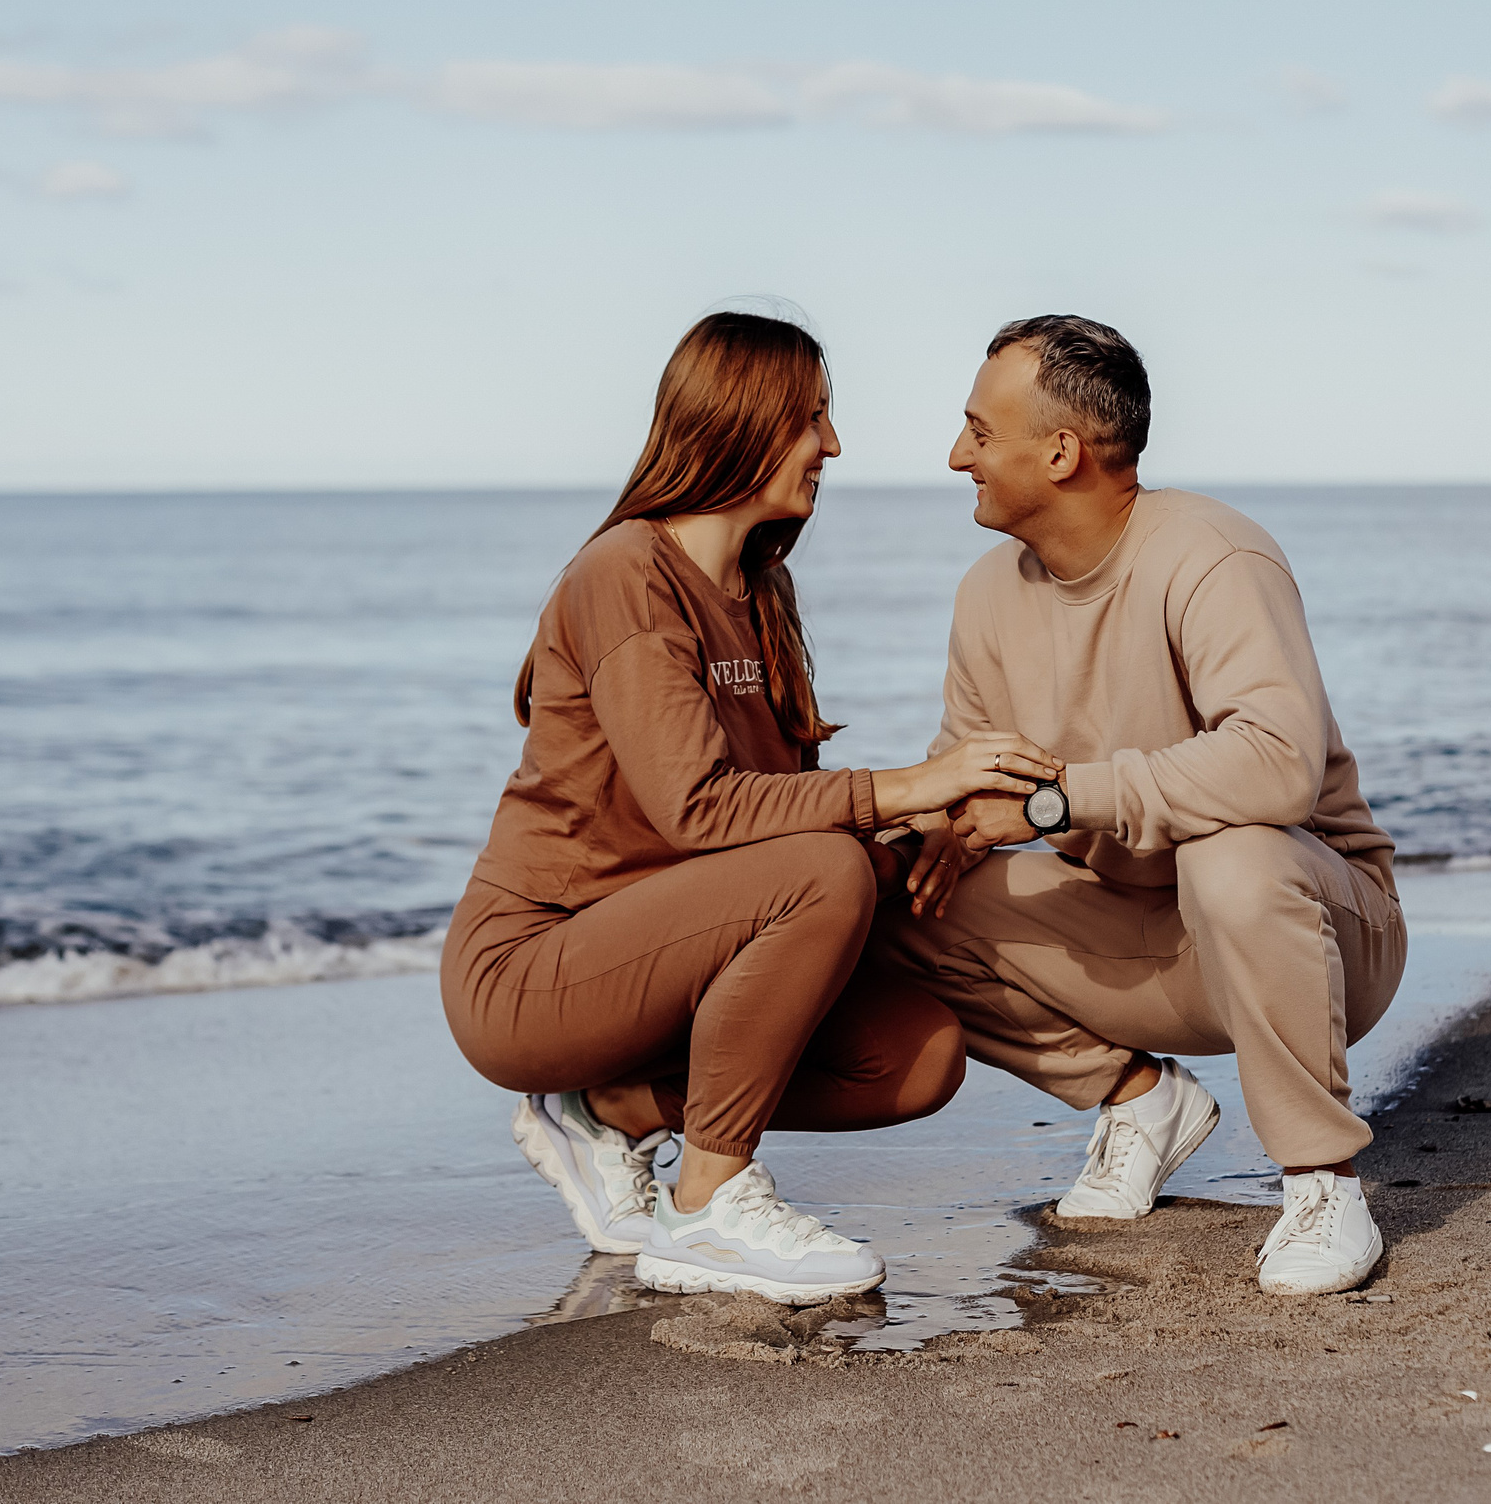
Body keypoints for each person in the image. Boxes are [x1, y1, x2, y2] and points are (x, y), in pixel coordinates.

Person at [443, 311, 1063, 1306]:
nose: (833, 444)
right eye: (812, 417)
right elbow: (698, 809)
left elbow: (776, 815)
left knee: (915, 1057)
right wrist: (914, 783)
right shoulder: (625, 573)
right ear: (740, 419)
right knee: (825, 869)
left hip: (664, 965)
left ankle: (614, 1110)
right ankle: (707, 1206)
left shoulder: (759, 588)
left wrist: (934, 826)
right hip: (532, 972)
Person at [880, 315, 1407, 1296]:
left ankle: (1323, 1183)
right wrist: (899, 821)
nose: (957, 456)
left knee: (1230, 850)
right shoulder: (987, 594)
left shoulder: (1213, 555)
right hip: (1143, 939)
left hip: (1322, 938)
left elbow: (1277, 765)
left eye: (979, 433)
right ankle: (1136, 1098)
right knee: (894, 893)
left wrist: (1056, 804)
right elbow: (968, 775)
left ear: (1062, 452)